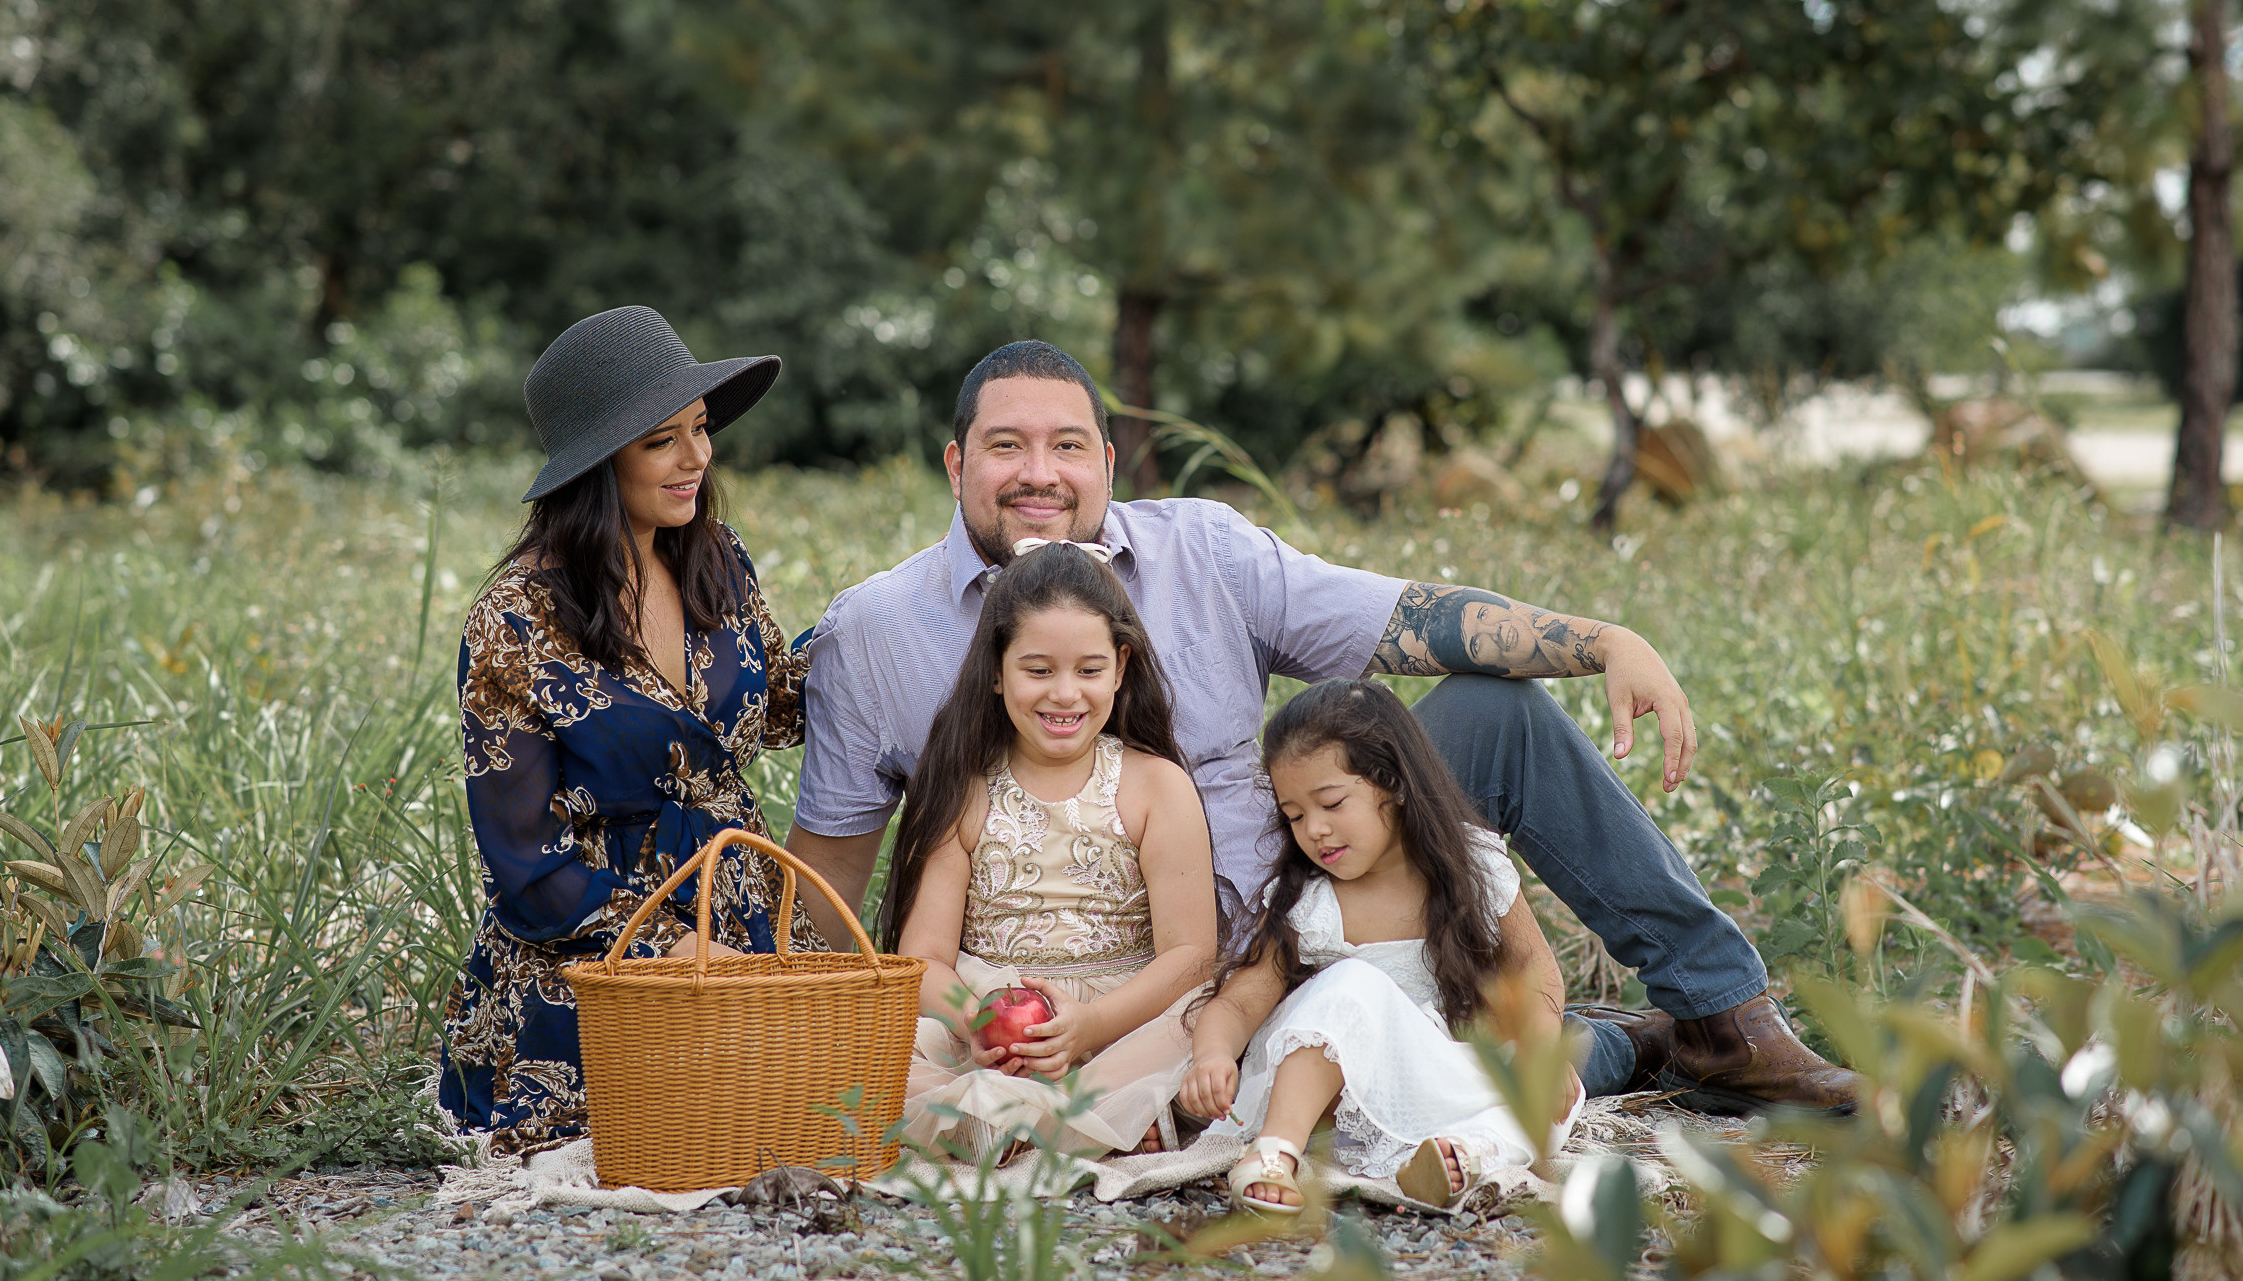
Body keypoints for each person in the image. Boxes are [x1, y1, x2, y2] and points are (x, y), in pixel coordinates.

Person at [788, 340, 1858, 1114]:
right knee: (1335, 1076)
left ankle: (1721, 1018)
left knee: (1496, 707)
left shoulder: (1203, 552)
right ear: (954, 464)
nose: (1039, 473)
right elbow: (826, 887)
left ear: (1109, 464)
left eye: (1068, 444)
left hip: (1314, 895)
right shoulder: (875, 633)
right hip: (1096, 975)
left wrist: (1602, 639)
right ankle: (1606, 1051)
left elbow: (1401, 621)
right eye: (1005, 445)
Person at [440, 307, 823, 1151]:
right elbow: (527, 869)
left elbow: (777, 710)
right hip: (601, 956)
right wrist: (677, 948)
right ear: (595, 463)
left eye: (700, 429)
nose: (699, 459)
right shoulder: (515, 621)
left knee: (809, 1124)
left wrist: (884, 628)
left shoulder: (716, 556)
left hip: (746, 915)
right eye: (662, 441)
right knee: (654, 1144)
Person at [1181, 679, 1579, 1213]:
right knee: (1352, 983)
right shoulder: (1311, 904)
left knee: (1553, 1088)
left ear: (1393, 783)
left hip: (1423, 1084)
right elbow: (1239, 1000)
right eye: (1295, 816)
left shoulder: (1474, 868)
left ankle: (1460, 1155)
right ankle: (1274, 1151)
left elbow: (1537, 969)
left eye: (1331, 803)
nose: (1315, 830)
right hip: (1321, 1099)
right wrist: (1211, 1053)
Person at [881, 539, 1217, 1162]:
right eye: (1037, 671)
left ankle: (1020, 1119)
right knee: (871, 1052)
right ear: (995, 670)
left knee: (1198, 1022)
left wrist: (1091, 1026)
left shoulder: (1155, 786)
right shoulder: (964, 789)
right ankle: (1086, 1123)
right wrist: (976, 1023)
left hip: (1122, 1018)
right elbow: (923, 958)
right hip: (987, 1023)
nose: (1065, 694)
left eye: (1089, 671)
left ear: (1120, 668)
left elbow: (1192, 956)